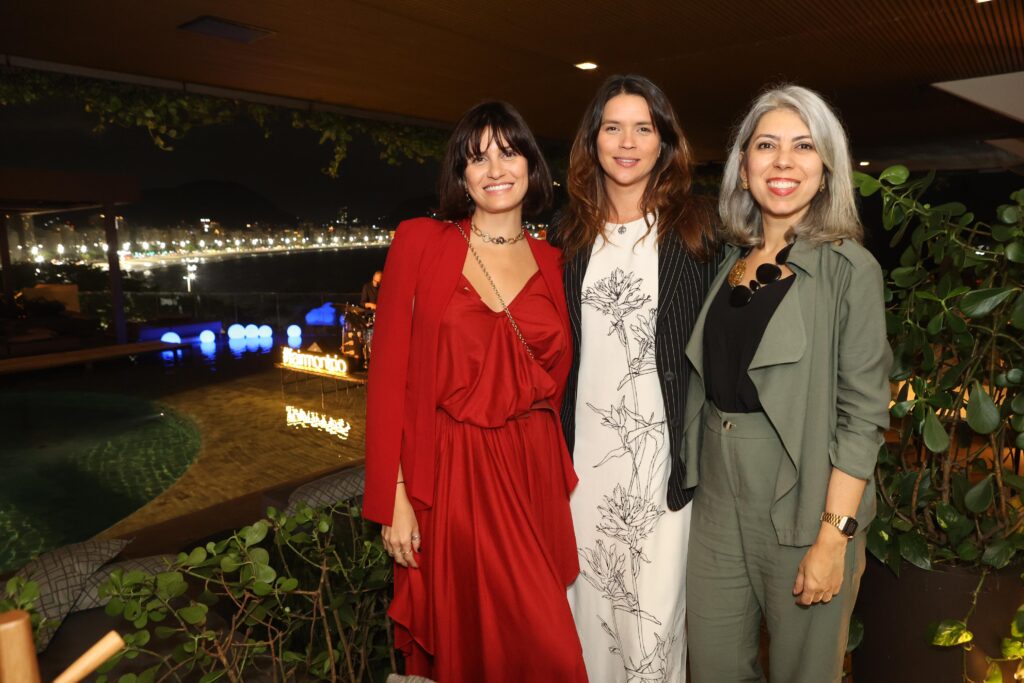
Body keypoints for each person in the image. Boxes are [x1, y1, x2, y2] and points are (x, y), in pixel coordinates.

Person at [363, 101, 587, 682]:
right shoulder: (420, 243)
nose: (494, 169)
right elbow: (389, 378)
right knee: (523, 651)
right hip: (456, 472)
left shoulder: (557, 262)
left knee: (530, 649)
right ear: (460, 176)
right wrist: (396, 494)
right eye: (476, 157)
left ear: (532, 168)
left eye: (508, 153)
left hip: (533, 468)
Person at [682, 85, 892, 682]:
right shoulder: (728, 262)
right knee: (714, 667)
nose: (782, 161)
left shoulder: (850, 269)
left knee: (804, 672)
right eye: (766, 145)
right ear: (742, 166)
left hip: (807, 498)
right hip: (717, 497)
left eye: (803, 147)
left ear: (826, 169)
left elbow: (863, 416)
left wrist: (834, 540)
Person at [553, 74, 718, 682]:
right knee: (586, 619)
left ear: (664, 142)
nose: (627, 142)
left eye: (643, 128)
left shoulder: (698, 231)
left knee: (652, 625)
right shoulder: (567, 236)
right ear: (592, 141)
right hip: (580, 472)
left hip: (663, 471)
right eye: (612, 127)